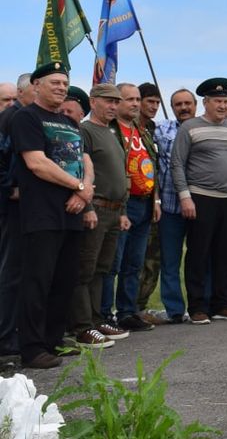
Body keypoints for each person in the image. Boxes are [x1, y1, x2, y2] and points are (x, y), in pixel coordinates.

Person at [12, 62, 94, 368]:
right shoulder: (26, 118)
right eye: (54, 82)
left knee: (64, 281)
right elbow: (36, 163)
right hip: (42, 214)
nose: (61, 87)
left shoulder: (69, 123)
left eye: (64, 82)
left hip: (72, 212)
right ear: (36, 85)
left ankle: (54, 340)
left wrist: (83, 192)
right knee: (37, 282)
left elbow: (84, 159)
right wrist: (80, 186)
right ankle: (32, 349)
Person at [172, 78, 227, 324]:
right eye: (218, 101)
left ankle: (221, 304)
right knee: (198, 255)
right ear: (206, 103)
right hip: (201, 198)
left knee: (226, 254)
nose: (223, 106)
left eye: (226, 101)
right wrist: (185, 197)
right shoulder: (189, 127)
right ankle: (197, 307)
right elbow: (177, 163)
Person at [70, 83, 130, 349]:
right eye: (108, 101)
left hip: (114, 211)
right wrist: (88, 208)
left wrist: (123, 211)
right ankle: (81, 327)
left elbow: (121, 174)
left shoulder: (113, 132)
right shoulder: (85, 130)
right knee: (84, 269)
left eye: (116, 102)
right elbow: (81, 171)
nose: (113, 107)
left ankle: (95, 319)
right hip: (96, 208)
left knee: (102, 270)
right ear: (93, 102)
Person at [101, 83, 160, 332]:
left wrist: (155, 199)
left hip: (145, 203)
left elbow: (150, 164)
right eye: (129, 99)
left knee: (134, 262)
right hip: (121, 204)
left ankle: (127, 312)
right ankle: (104, 314)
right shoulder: (111, 130)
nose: (135, 104)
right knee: (113, 262)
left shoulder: (141, 130)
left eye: (137, 99)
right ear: (117, 102)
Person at [0, 73, 36, 357]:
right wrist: (10, 188)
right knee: (11, 272)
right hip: (11, 206)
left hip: (25, 207)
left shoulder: (23, 117)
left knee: (22, 271)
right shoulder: (13, 118)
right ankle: (6, 337)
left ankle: (16, 331)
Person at [154, 89, 197, 324]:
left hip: (200, 205)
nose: (184, 107)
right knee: (170, 261)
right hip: (170, 207)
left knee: (199, 258)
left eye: (187, 103)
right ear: (172, 107)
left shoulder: (204, 127)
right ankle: (175, 310)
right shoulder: (162, 130)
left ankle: (201, 304)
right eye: (178, 104)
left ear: (196, 105)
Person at [135, 82, 164, 322]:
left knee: (153, 259)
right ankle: (127, 308)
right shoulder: (127, 129)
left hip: (152, 200)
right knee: (132, 259)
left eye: (157, 102)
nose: (154, 107)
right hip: (132, 201)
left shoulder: (152, 129)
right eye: (150, 102)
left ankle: (140, 306)